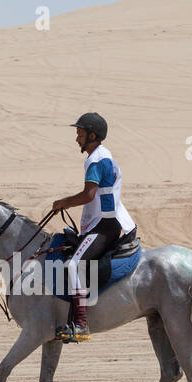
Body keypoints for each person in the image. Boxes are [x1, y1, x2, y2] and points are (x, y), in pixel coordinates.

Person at [51, 112, 136, 343]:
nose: (76, 138)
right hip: (105, 221)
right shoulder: (102, 156)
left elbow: (89, 195)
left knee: (73, 266)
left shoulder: (96, 160)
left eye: (79, 133)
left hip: (105, 225)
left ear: (92, 135)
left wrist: (62, 203)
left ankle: (80, 324)